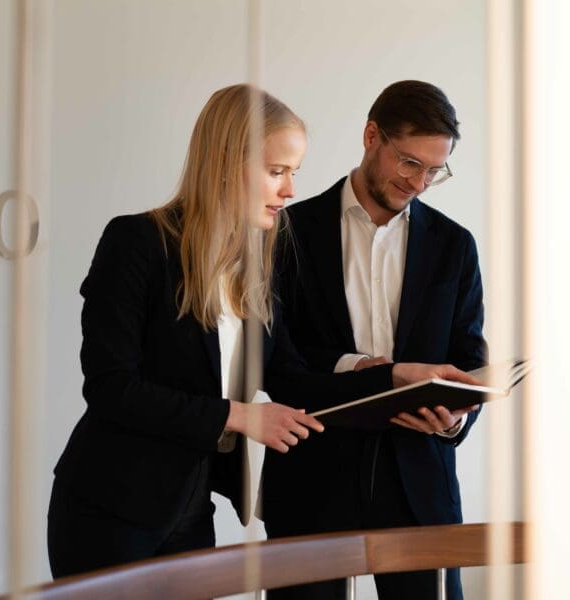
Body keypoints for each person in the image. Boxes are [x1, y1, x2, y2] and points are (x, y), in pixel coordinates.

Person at [47, 84, 432, 578]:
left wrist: (395, 379)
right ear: (227, 163)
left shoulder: (256, 263)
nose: (289, 191)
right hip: (110, 510)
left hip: (190, 512)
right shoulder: (136, 242)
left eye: (293, 173)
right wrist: (238, 415)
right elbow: (110, 388)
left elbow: (290, 376)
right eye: (276, 172)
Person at [261, 80, 488, 600]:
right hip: (311, 478)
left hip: (420, 484)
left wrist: (455, 419)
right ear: (371, 136)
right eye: (409, 163)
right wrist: (368, 370)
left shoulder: (455, 245)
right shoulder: (285, 232)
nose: (419, 183)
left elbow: (468, 359)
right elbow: (277, 365)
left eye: (434, 171)